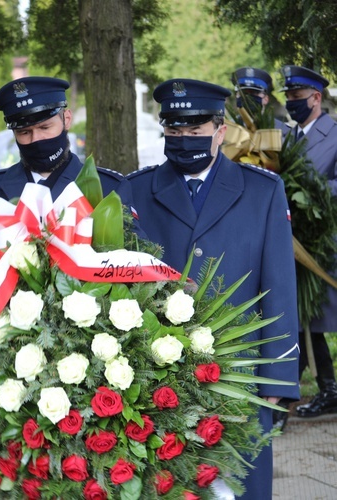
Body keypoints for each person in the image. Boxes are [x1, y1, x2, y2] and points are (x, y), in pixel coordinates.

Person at [127, 78, 300, 499]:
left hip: (240, 378)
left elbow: (279, 289)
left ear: (220, 131)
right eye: (175, 130)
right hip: (160, 378)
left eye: (195, 130)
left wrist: (278, 384)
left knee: (243, 487)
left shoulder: (262, 191)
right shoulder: (136, 190)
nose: (184, 140)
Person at [0, 76, 140, 295]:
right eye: (24, 132)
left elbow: (140, 259)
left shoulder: (109, 188)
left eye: (45, 127)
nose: (36, 140)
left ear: (66, 119)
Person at [278, 65, 337, 418]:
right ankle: (324, 389)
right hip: (292, 239)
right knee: (301, 318)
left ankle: (286, 396)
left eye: (297, 97)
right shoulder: (288, 136)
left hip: (324, 241)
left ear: (316, 98)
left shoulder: (334, 133)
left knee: (310, 318)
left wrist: (310, 191)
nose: (291, 103)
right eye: (288, 97)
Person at [231, 66, 290, 133]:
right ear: (237, 96)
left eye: (254, 93)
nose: (248, 97)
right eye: (244, 93)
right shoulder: (226, 129)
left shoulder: (282, 131)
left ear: (266, 99)